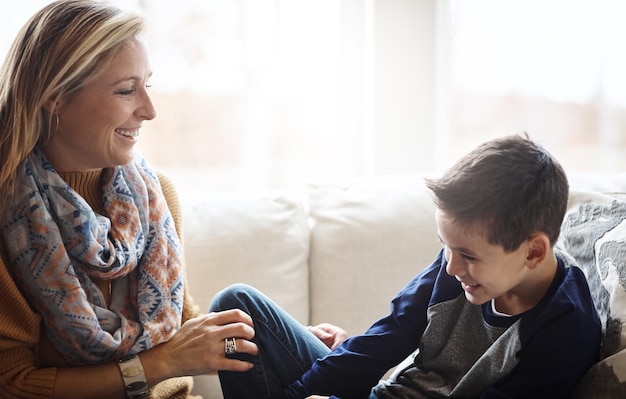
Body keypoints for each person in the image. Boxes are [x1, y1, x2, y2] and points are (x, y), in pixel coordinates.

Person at [0, 1, 274, 398]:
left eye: (148, 84)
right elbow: (11, 385)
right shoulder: (10, 216)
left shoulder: (155, 195)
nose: (149, 109)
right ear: (55, 97)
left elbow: (185, 331)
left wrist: (278, 345)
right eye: (127, 90)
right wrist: (159, 365)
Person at [210, 134, 602, 398]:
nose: (449, 268)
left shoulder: (566, 330)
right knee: (235, 310)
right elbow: (386, 339)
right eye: (444, 248)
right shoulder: (457, 271)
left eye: (467, 255)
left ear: (533, 252)